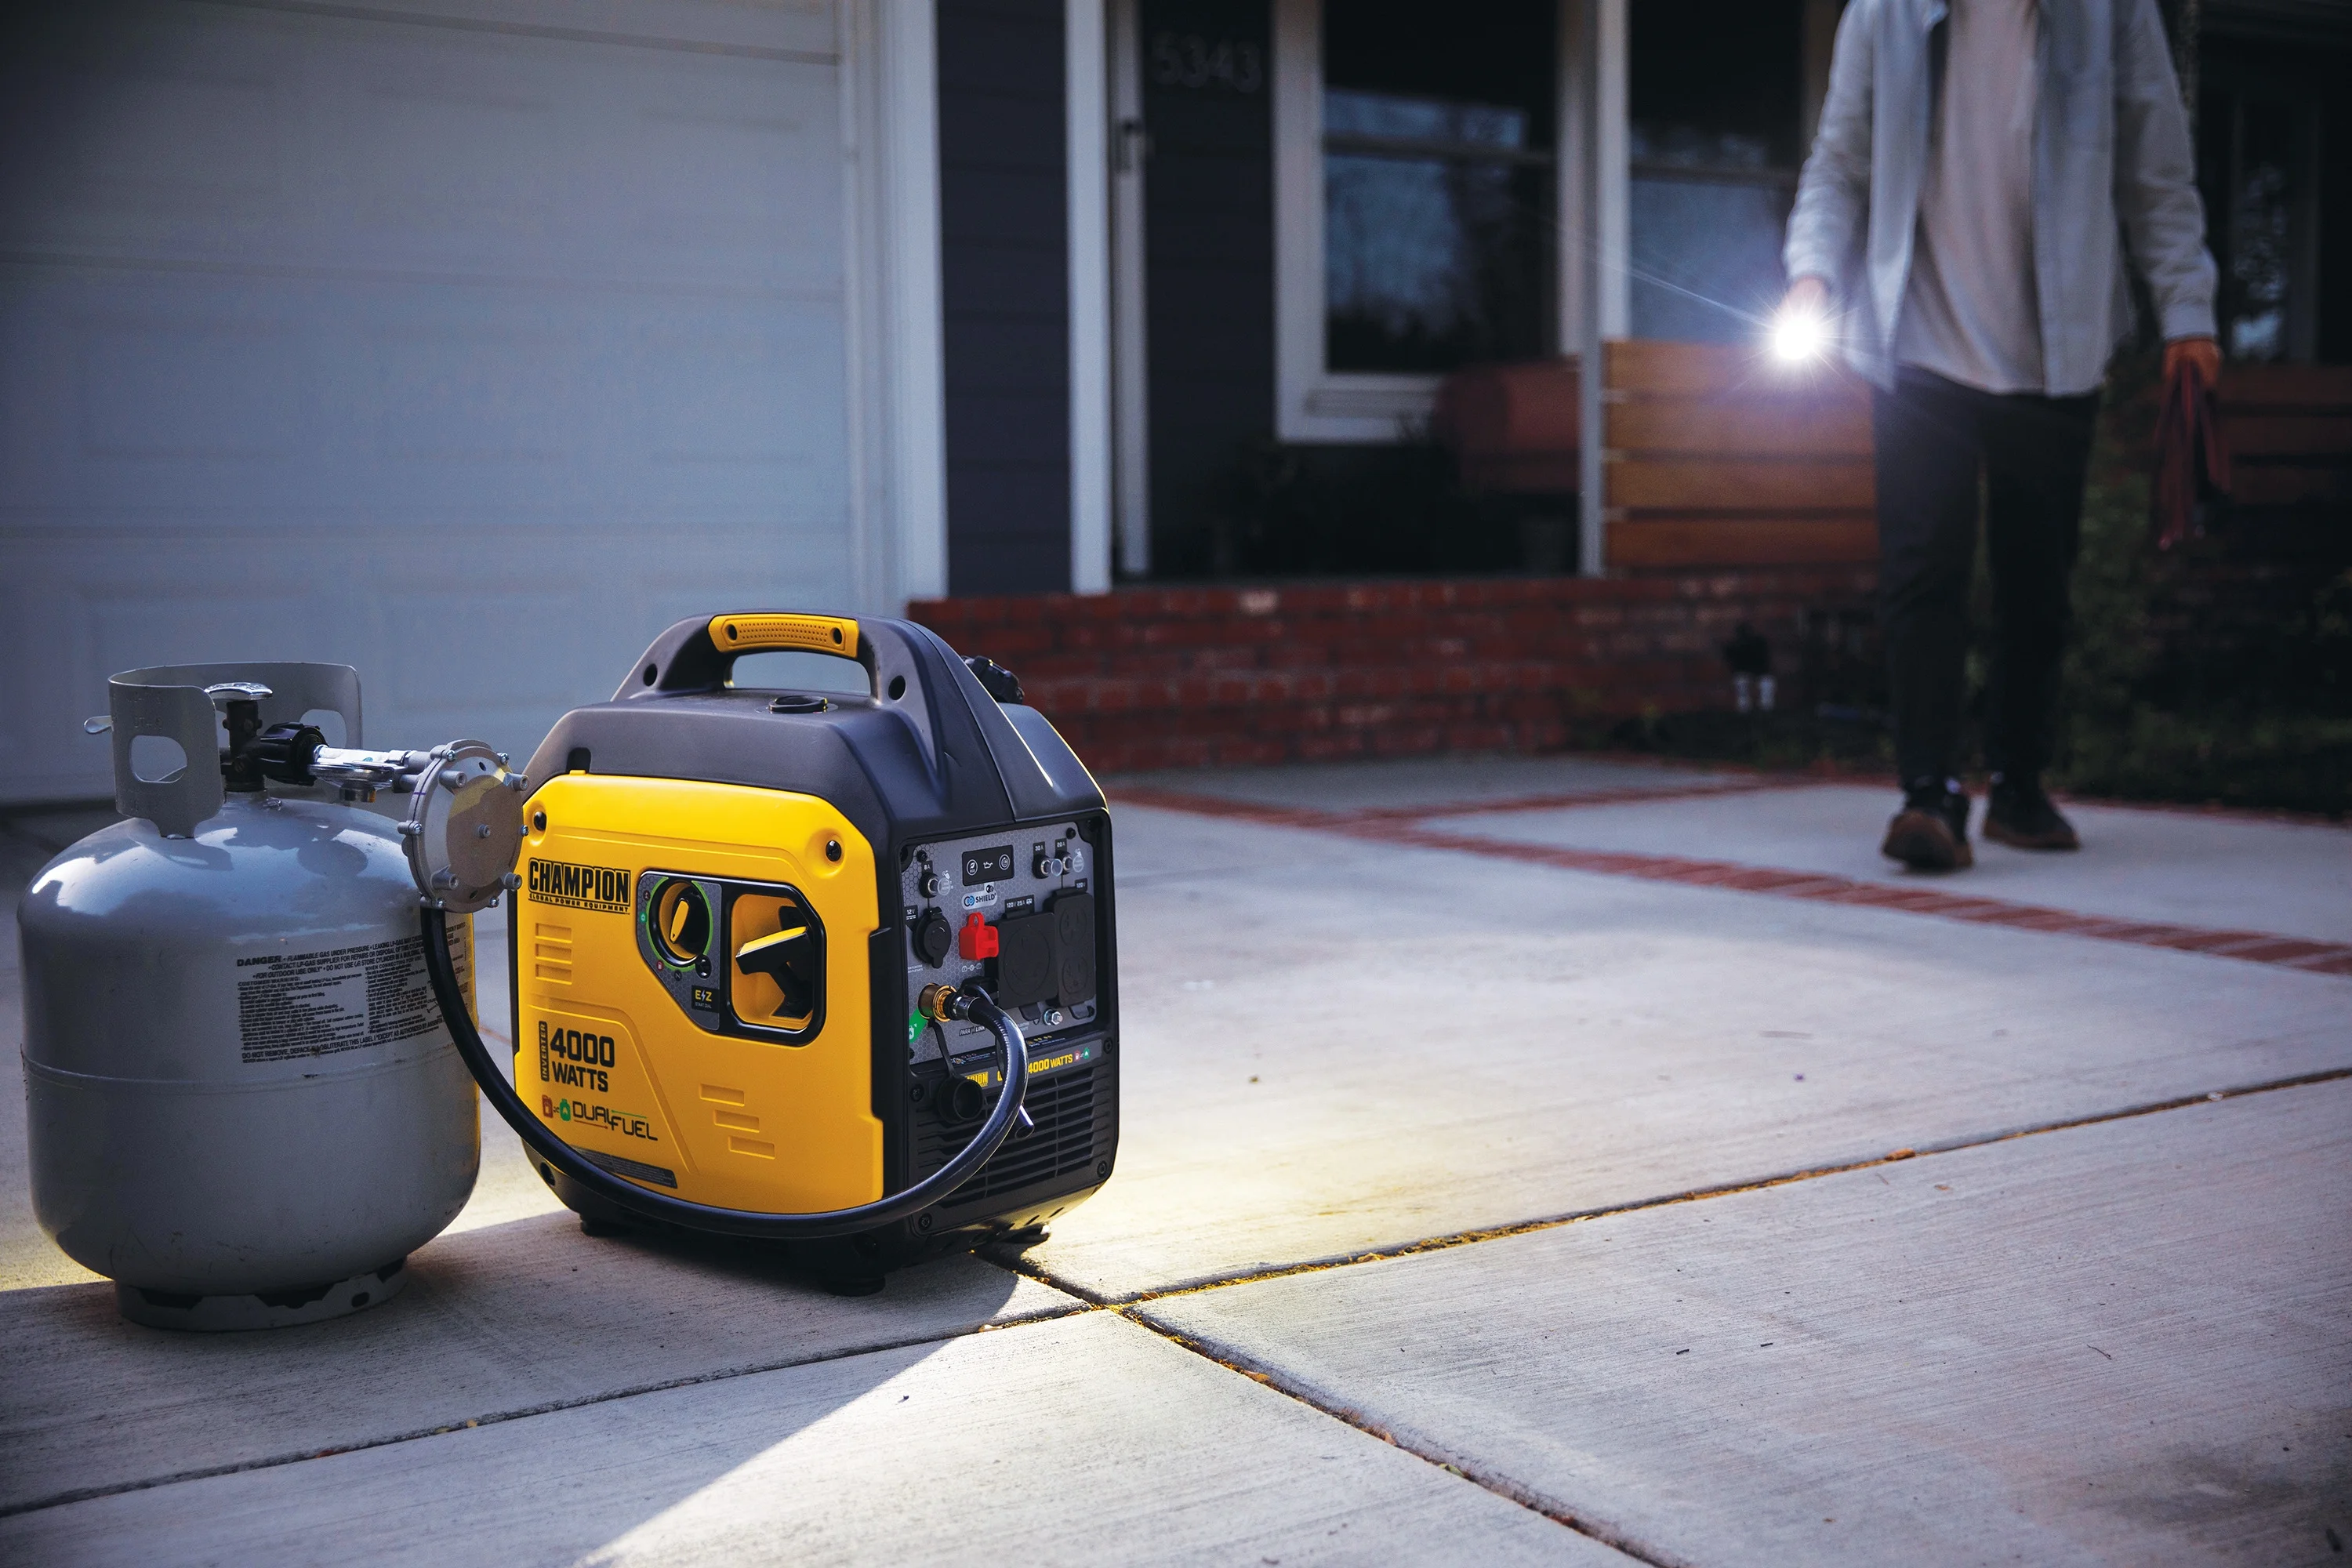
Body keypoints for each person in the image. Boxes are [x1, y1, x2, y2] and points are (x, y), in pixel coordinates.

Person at [1781, 0, 2219, 870]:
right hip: (1916, 341)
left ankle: (2018, 785)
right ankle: (1928, 794)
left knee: (2036, 584)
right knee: (1922, 573)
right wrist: (1812, 273)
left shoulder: (2111, 15)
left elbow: (2156, 169)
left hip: (2056, 345)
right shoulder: (1885, 12)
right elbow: (1839, 162)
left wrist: (2188, 309)